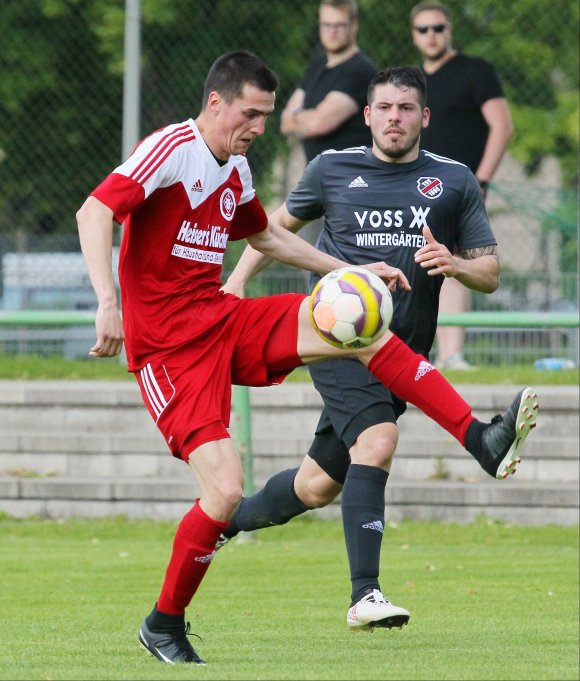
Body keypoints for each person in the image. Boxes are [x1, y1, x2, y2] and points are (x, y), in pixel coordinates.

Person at [76, 52, 537, 665]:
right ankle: (164, 622)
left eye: (267, 115)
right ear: (216, 103)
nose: (260, 127)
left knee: (361, 331)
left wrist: (349, 270)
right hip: (167, 347)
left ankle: (481, 439)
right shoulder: (171, 150)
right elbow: (95, 210)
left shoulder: (234, 166)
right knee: (224, 491)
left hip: (217, 318)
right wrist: (107, 302)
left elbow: (265, 235)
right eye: (251, 113)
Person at [220, 66, 537, 632]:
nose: (395, 117)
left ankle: (223, 520)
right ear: (367, 115)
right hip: (337, 340)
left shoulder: (454, 180)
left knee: (316, 485)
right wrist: (238, 279)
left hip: (403, 355)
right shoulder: (331, 169)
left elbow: (489, 271)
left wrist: (456, 264)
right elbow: (274, 229)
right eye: (385, 108)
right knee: (379, 439)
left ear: (424, 118)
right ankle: (365, 595)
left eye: (406, 108)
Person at [410, 0, 514, 370]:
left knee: (452, 263)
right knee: (411, 264)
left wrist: (481, 178)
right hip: (414, 186)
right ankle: (414, 352)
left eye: (438, 27)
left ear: (449, 30)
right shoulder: (412, 82)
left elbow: (502, 126)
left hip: (457, 187)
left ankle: (453, 355)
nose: (432, 35)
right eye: (424, 29)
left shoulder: (475, 71)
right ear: (414, 35)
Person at [279, 0, 376, 244]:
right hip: (317, 181)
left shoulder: (359, 70)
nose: (332, 31)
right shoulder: (317, 67)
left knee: (345, 265)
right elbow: (285, 121)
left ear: (354, 26)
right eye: (326, 25)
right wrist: (307, 118)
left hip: (352, 186)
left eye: (339, 25)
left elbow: (319, 124)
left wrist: (303, 117)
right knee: (308, 257)